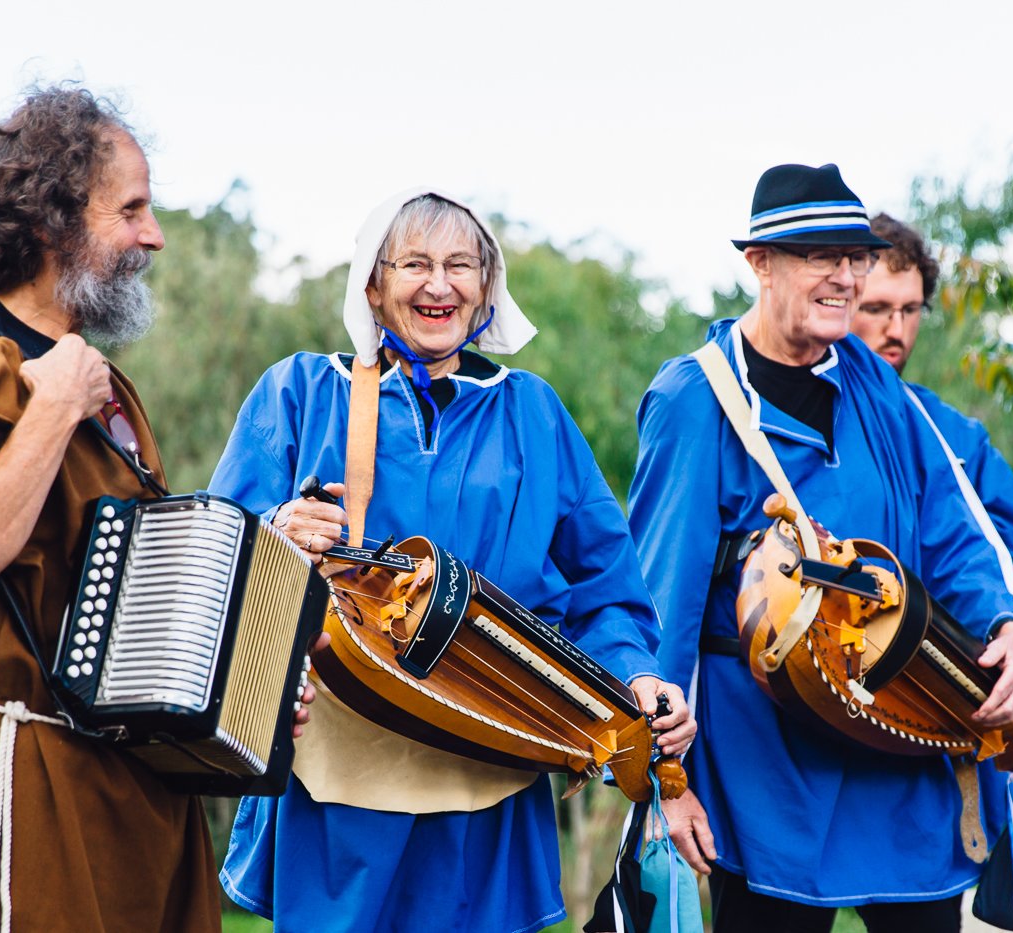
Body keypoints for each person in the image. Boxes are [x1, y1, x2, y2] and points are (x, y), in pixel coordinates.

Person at [209, 187, 695, 933]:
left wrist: (640, 674)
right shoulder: (300, 392)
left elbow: (606, 584)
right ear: (373, 285)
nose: (440, 284)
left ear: (487, 287)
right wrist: (275, 527)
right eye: (416, 264)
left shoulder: (532, 412)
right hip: (344, 770)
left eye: (460, 265)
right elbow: (218, 553)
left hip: (493, 762)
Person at [628, 163, 1013, 932]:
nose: (844, 277)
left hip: (902, 731)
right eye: (819, 256)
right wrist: (667, 779)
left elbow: (951, 530)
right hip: (766, 763)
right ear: (760, 263)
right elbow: (660, 609)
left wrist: (1002, 625)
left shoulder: (876, 385)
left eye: (853, 257)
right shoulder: (695, 399)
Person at [0, 87, 222, 932]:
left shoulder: (110, 391)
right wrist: (52, 406)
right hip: (35, 795)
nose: (153, 237)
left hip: (145, 807)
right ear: (52, 221)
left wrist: (237, 689)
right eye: (132, 211)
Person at [849, 213, 1013, 593]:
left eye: (910, 310)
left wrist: (936, 565)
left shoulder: (948, 430)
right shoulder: (804, 409)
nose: (896, 329)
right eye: (876, 308)